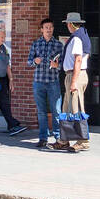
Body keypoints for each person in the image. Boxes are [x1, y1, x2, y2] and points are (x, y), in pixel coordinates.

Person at [55, 12, 91, 152]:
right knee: (67, 109)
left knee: (76, 109)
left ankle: (83, 141)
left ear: (70, 24)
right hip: (73, 75)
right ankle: (64, 140)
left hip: (75, 75)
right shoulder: (81, 35)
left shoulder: (76, 38)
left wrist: (73, 81)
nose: (67, 26)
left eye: (67, 23)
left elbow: (78, 60)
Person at [27, 18, 63, 149]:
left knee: (56, 111)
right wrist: (34, 61)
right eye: (46, 27)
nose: (49, 29)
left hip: (53, 82)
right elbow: (29, 61)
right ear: (41, 29)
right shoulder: (36, 44)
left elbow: (63, 65)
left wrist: (57, 65)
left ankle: (58, 137)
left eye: (51, 27)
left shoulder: (59, 45)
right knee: (41, 112)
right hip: (38, 82)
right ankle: (43, 138)